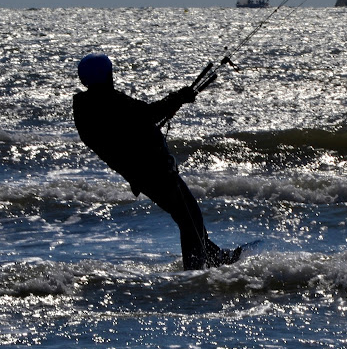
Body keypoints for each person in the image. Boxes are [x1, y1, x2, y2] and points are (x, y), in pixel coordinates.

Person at [72, 53, 241, 270]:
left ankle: (212, 257)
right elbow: (148, 114)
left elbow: (130, 127)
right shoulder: (107, 101)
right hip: (153, 172)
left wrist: (173, 102)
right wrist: (179, 97)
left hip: (142, 173)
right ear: (106, 76)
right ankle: (195, 272)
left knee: (189, 218)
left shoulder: (88, 107)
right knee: (190, 220)